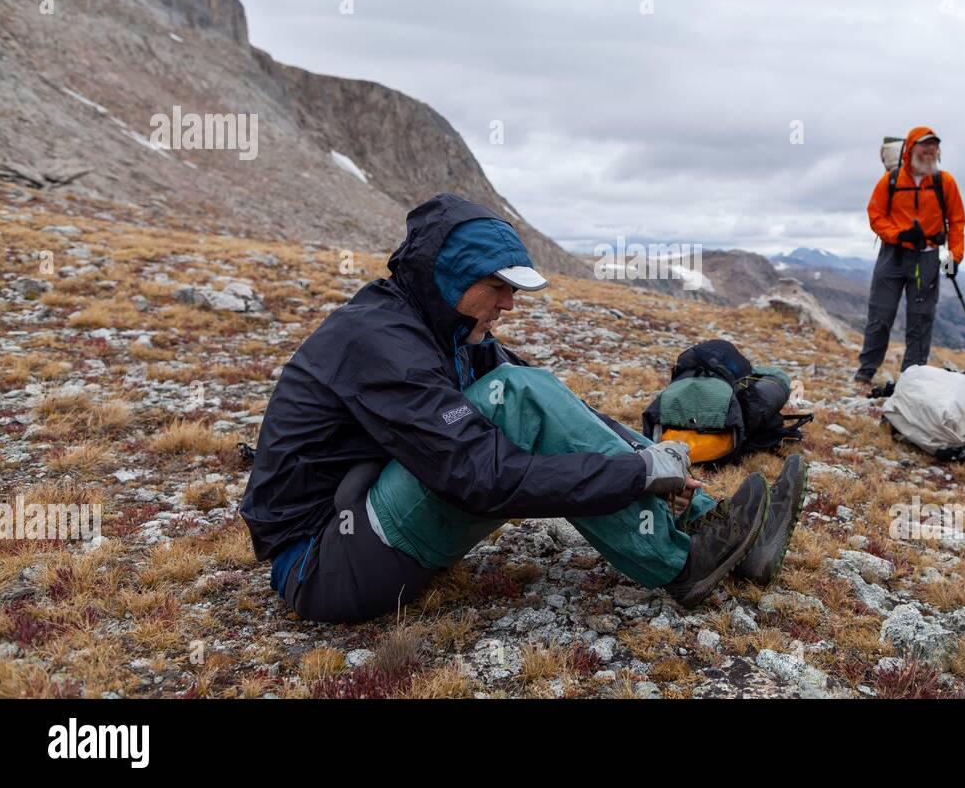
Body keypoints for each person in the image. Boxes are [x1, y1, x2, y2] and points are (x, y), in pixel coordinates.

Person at [239, 193, 808, 622]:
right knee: (516, 396)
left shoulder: (447, 325)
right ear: (450, 278)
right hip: (324, 563)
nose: (510, 303)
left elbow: (562, 414)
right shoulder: (380, 342)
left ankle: (719, 527)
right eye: (499, 287)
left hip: (366, 519)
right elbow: (481, 476)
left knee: (524, 382)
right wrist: (636, 472)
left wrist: (652, 461)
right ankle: (684, 565)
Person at [853, 126, 965, 389]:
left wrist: (954, 258)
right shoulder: (891, 181)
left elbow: (957, 222)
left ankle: (911, 378)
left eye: (933, 147)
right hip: (892, 255)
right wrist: (900, 235)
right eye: (923, 146)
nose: (929, 152)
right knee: (880, 316)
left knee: (921, 317)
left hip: (926, 257)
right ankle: (865, 372)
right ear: (910, 149)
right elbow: (875, 216)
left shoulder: (944, 182)